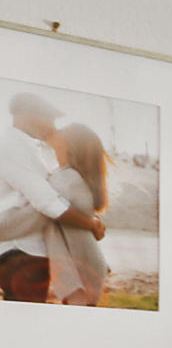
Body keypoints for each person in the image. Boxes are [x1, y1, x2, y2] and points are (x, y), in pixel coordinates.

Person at [0, 92, 104, 303]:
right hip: (22, 253)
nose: (53, 125)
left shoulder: (32, 149)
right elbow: (48, 204)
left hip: (23, 253)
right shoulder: (12, 146)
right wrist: (91, 224)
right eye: (49, 117)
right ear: (26, 115)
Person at [43, 122, 111, 304]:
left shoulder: (67, 178)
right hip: (87, 262)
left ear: (69, 148)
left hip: (77, 267)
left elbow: (40, 200)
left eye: (59, 143)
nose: (54, 148)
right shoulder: (77, 178)